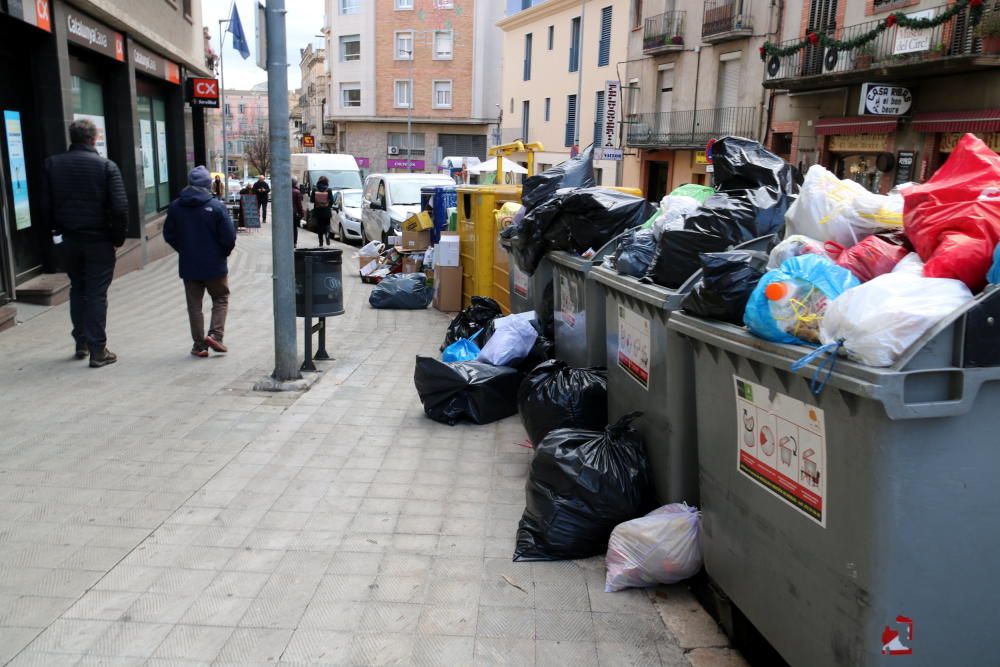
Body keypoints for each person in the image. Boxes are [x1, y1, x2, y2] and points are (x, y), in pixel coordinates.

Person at [42, 118, 128, 368]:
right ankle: (98, 350)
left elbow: (45, 206)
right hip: (98, 240)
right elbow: (120, 208)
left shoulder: (52, 165)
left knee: (78, 288)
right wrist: (117, 238)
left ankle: (81, 342)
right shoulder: (106, 167)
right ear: (93, 139)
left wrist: (54, 234)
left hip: (68, 239)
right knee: (96, 292)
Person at [163, 166, 237, 358]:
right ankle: (216, 335)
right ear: (208, 184)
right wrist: (223, 253)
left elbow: (169, 234)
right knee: (220, 298)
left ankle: (199, 345)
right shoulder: (217, 206)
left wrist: (184, 250)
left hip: (189, 264)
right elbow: (229, 237)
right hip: (214, 264)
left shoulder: (176, 206)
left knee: (194, 305)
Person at [310, 175, 333, 246]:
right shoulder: (329, 190)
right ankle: (327, 237)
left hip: (318, 211)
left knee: (319, 227)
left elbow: (312, 200)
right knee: (327, 225)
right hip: (326, 212)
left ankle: (321, 242)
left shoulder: (314, 190)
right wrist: (327, 205)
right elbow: (332, 201)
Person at [291, 177, 305, 247]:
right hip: (294, 213)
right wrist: (302, 214)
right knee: (294, 228)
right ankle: (294, 242)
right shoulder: (297, 192)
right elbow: (299, 205)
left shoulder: (284, 191)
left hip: (285, 214)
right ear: (295, 183)